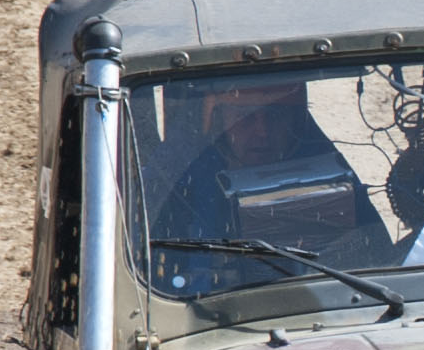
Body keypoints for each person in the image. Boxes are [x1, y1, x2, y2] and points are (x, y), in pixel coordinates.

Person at [151, 80, 391, 289]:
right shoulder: (188, 190)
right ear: (219, 122)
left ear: (295, 122)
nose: (262, 132)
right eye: (245, 118)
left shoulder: (331, 178)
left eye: (274, 116)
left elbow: (378, 262)